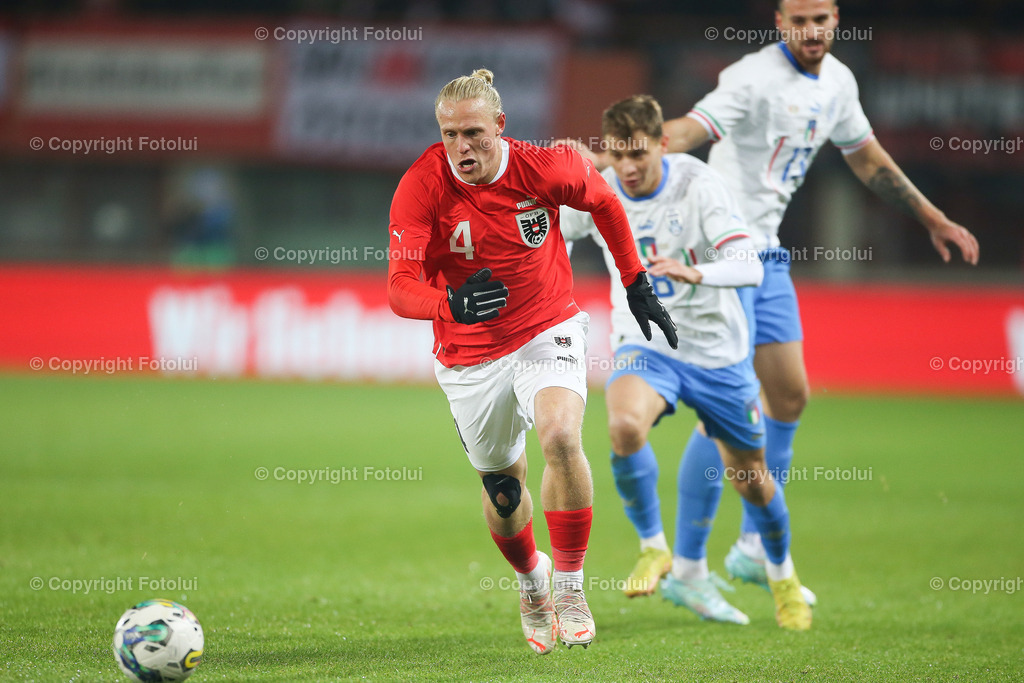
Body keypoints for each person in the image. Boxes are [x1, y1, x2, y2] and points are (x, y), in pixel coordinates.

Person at [574, 0, 980, 598]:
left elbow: (866, 156)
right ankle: (688, 567)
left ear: (835, 18)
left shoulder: (838, 82)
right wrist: (617, 156)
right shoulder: (753, 77)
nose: (811, 30)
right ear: (780, 23)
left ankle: (747, 548)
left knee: (789, 396)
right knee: (720, 413)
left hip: (764, 254)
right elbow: (686, 132)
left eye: (821, 19)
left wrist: (931, 216)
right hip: (718, 255)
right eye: (799, 20)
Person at [386, 68, 677, 654]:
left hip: (547, 326)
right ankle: (532, 581)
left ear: (500, 125)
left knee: (561, 436)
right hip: (469, 355)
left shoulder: (545, 167)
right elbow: (399, 288)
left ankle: (569, 587)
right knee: (502, 491)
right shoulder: (421, 186)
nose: (461, 147)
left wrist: (636, 281)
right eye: (449, 135)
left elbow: (605, 202)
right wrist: (450, 303)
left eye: (473, 133)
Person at [561, 95, 811, 630]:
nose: (628, 168)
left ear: (663, 145)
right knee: (624, 425)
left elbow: (748, 266)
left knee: (752, 479)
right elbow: (546, 230)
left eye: (639, 154)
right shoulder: (600, 189)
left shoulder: (699, 185)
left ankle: (782, 574)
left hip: (717, 352)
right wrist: (549, 176)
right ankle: (655, 548)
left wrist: (699, 273)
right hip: (648, 343)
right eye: (617, 155)